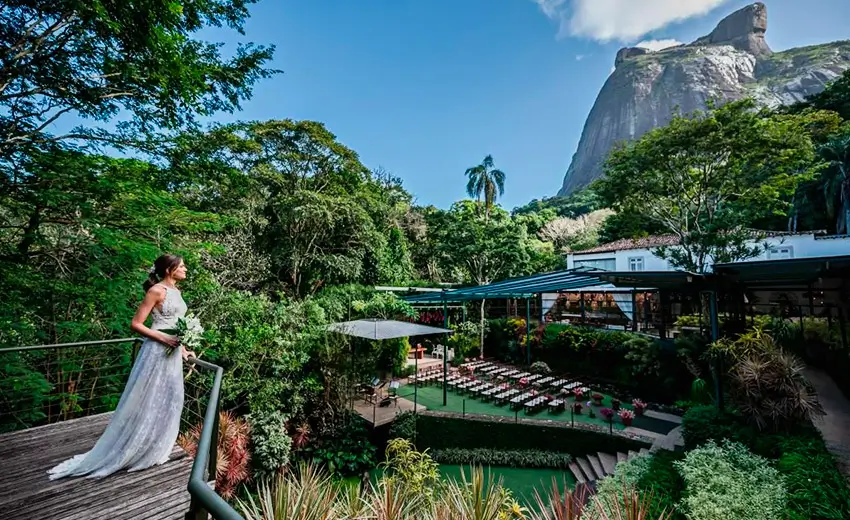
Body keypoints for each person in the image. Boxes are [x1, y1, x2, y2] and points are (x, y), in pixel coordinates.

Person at [48, 254, 195, 480]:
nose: (185, 269)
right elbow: (136, 324)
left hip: (172, 354)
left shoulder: (177, 291)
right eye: (182, 266)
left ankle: (154, 446)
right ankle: (132, 447)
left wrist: (184, 350)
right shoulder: (156, 291)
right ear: (169, 269)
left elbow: (176, 325)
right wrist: (163, 339)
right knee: (147, 397)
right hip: (156, 352)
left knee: (171, 397)